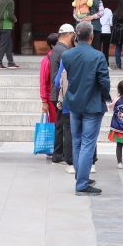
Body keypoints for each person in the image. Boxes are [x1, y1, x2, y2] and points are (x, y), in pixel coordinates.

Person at [60, 21, 110, 195]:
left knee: (77, 141)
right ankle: (81, 183)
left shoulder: (67, 56)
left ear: (75, 36)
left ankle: (81, 177)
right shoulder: (98, 56)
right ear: (92, 36)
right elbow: (104, 81)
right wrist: (106, 96)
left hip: (74, 102)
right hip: (92, 103)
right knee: (88, 143)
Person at [49, 24, 76, 166]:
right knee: (65, 126)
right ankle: (64, 156)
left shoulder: (57, 49)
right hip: (61, 93)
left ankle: (57, 155)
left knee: (60, 125)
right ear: (68, 35)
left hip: (56, 91)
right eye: (73, 35)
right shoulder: (64, 51)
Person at [38, 32, 60, 159]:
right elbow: (42, 81)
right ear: (52, 46)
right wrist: (44, 100)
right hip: (51, 96)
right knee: (54, 123)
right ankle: (53, 149)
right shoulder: (47, 60)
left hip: (61, 96)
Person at [0, 0, 18, 69]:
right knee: (4, 44)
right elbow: (10, 14)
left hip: (1, 25)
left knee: (9, 44)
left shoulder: (0, 0)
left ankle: (11, 62)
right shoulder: (10, 1)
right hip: (6, 25)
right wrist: (14, 19)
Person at [110, 0, 123, 70]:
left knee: (118, 48)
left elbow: (113, 23)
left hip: (117, 32)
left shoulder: (115, 13)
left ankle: (118, 65)